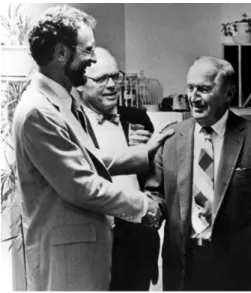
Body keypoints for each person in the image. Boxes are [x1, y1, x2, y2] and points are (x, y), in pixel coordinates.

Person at [12, 5, 172, 291]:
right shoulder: (39, 111)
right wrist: (144, 206)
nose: (93, 58)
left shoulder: (61, 101)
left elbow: (86, 161)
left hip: (85, 256)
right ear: (62, 53)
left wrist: (143, 154)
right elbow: (81, 185)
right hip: (68, 264)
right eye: (88, 50)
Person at [145, 56, 251, 291]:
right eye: (190, 88)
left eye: (203, 89)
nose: (194, 97)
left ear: (229, 93)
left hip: (239, 266)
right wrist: (149, 209)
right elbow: (156, 193)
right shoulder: (170, 136)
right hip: (183, 262)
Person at [77, 47, 160, 291]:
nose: (113, 85)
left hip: (135, 240)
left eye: (116, 76)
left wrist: (147, 150)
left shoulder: (136, 118)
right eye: (102, 78)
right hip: (92, 237)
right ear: (80, 83)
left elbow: (155, 177)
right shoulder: (70, 122)